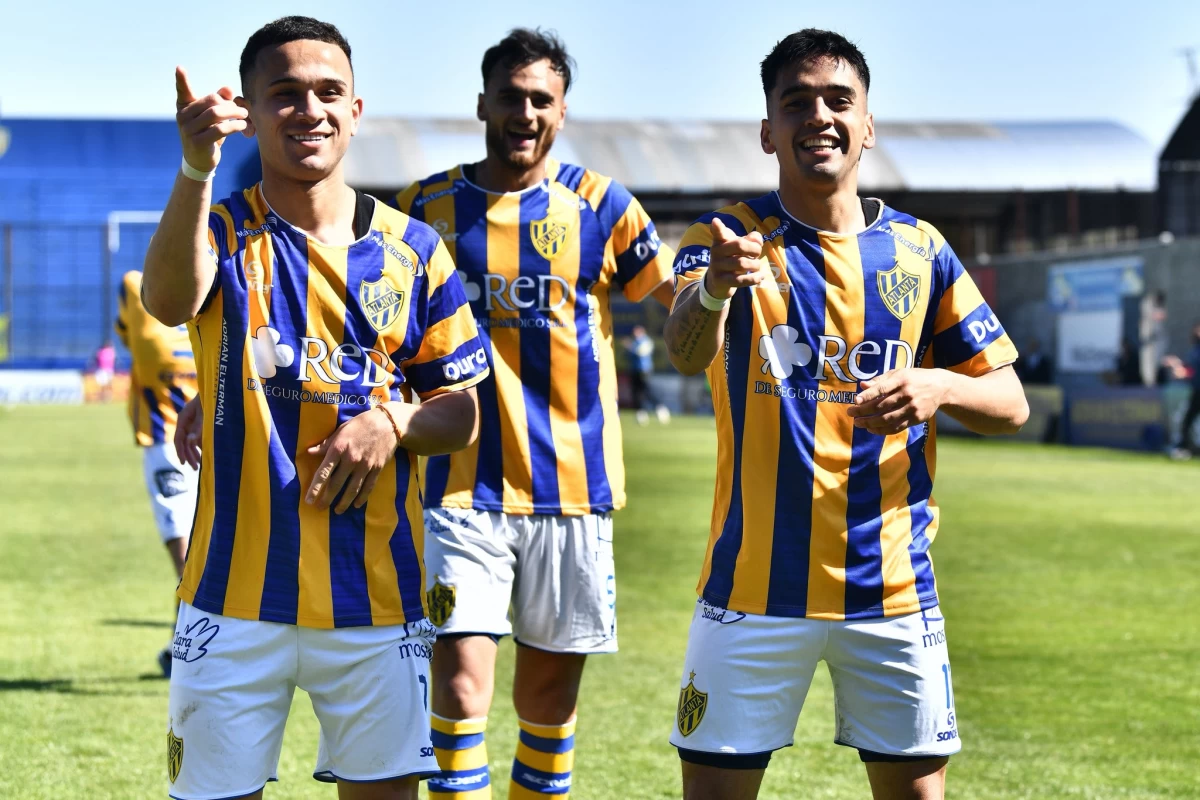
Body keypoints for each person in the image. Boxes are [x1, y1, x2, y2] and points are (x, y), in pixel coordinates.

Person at [662, 30, 1029, 800]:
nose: (818, 117)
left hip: (891, 591)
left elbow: (1010, 401)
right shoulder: (726, 237)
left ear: (868, 125)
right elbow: (686, 351)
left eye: (839, 101)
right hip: (750, 591)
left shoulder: (921, 251)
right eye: (795, 103)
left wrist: (939, 386)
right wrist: (718, 289)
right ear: (768, 131)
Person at [141, 16, 488, 800]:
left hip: (374, 603)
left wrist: (394, 420)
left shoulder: (415, 251)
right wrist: (197, 169)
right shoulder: (221, 230)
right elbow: (167, 301)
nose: (310, 110)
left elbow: (460, 410)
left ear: (356, 110)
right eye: (285, 94)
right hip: (229, 605)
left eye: (329, 92)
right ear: (253, 114)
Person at [393, 29, 675, 799]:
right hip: (457, 489)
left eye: (540, 100)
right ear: (482, 102)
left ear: (562, 111)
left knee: (547, 707)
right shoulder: (426, 207)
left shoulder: (604, 205)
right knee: (456, 693)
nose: (524, 112)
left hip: (573, 492)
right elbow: (379, 326)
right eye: (510, 97)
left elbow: (679, 307)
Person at [114, 270, 199, 677]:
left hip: (168, 440)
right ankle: (182, 641)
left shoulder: (135, 283)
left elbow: (127, 336)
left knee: (186, 553)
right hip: (222, 436)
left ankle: (196, 641)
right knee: (204, 545)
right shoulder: (220, 285)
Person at [623, 324, 670, 424]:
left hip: (644, 370)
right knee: (636, 392)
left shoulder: (646, 341)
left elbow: (641, 352)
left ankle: (660, 408)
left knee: (647, 390)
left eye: (637, 331)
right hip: (634, 370)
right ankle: (641, 413)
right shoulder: (635, 342)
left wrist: (630, 347)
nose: (635, 334)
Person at [1170, 322, 1200, 460]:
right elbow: (1190, 369)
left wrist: (1184, 371)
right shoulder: (1195, 349)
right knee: (1187, 421)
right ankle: (1184, 448)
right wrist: (1178, 366)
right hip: (1197, 391)